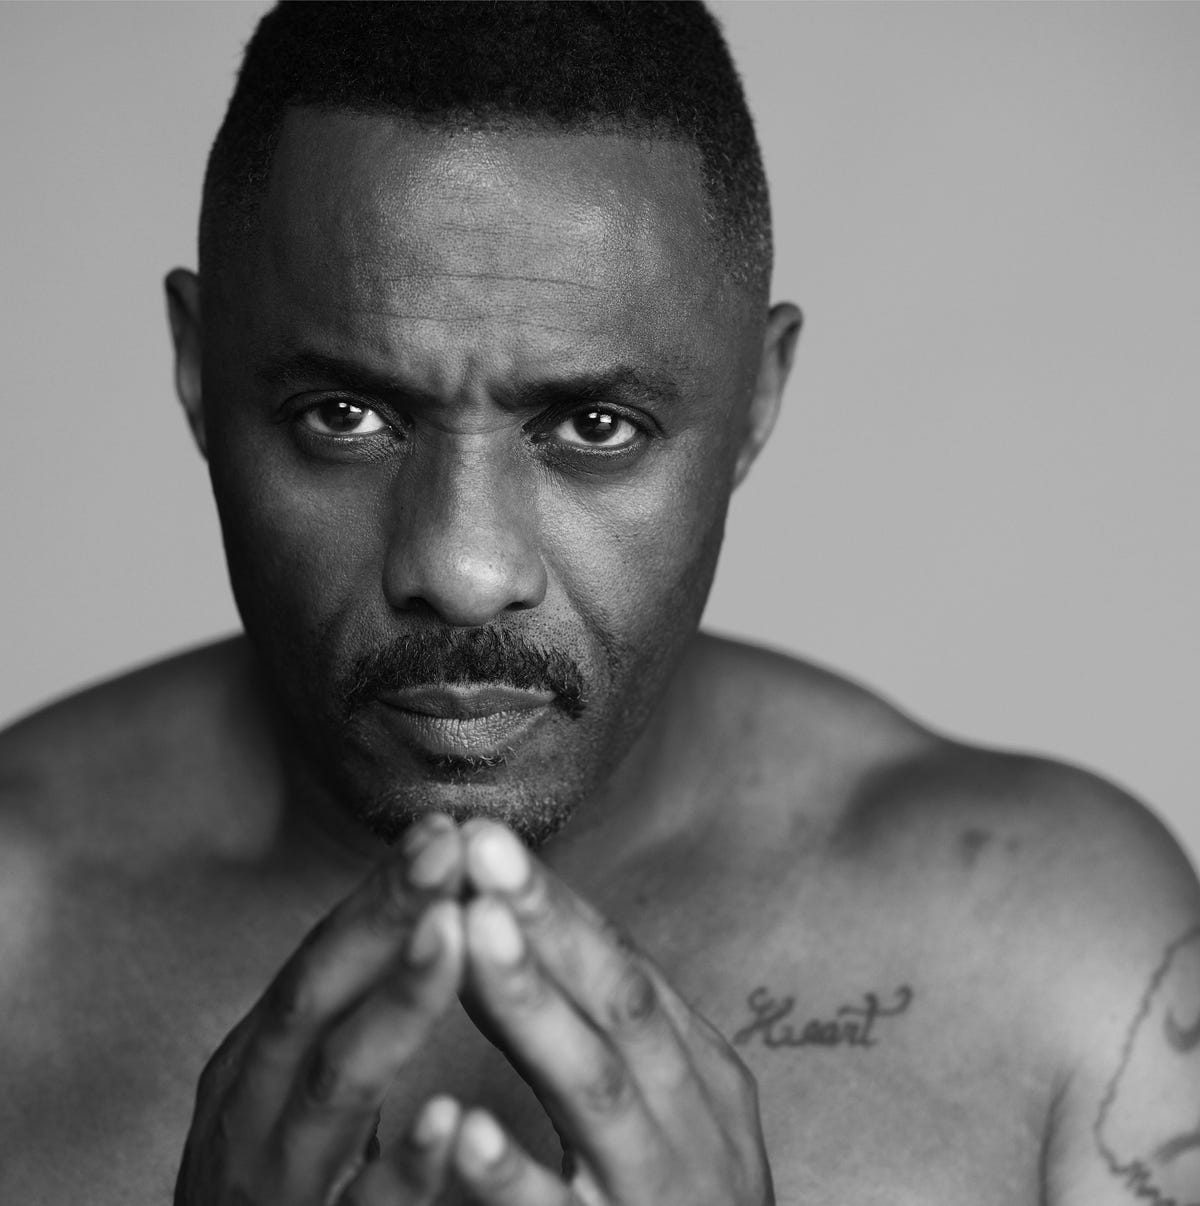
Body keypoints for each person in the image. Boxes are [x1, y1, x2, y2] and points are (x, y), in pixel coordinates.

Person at [1, 3, 1197, 1204]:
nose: (463, 569)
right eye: (346, 417)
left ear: (757, 397)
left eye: (593, 426)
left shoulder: (1064, 968)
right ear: (198, 366)